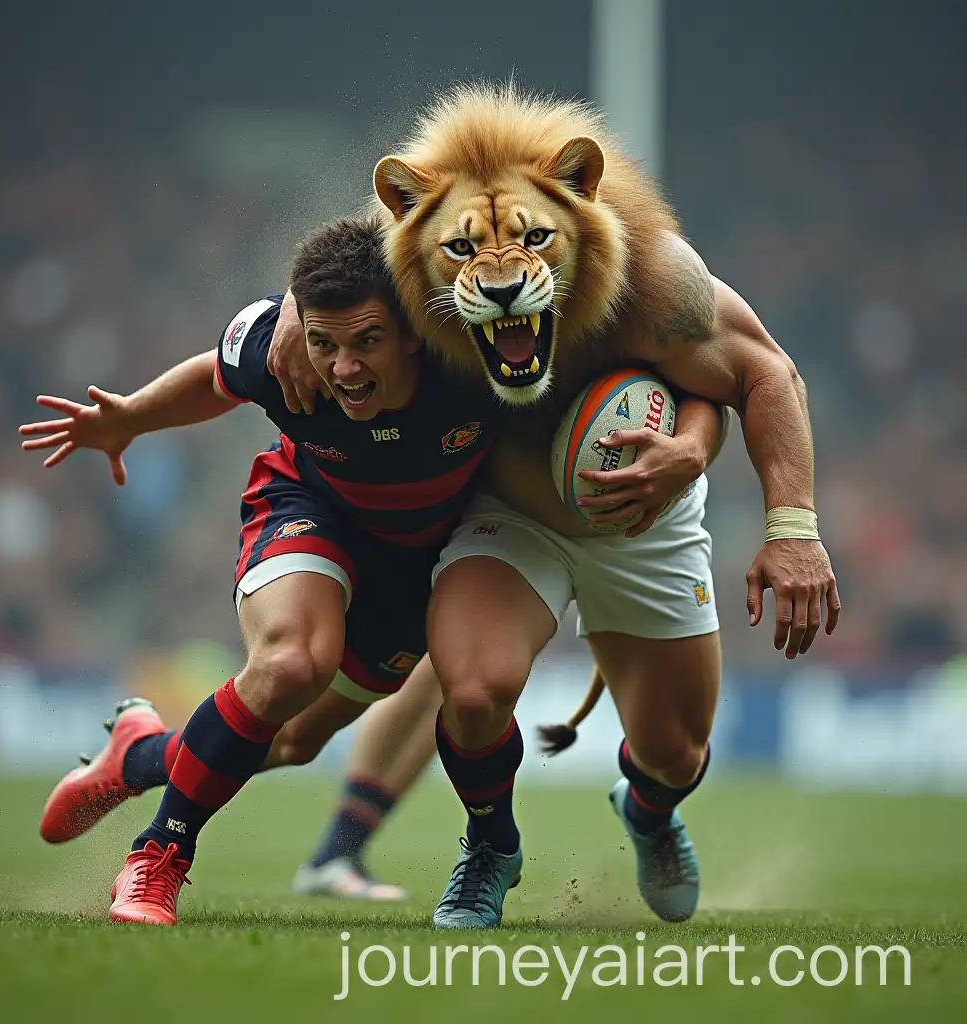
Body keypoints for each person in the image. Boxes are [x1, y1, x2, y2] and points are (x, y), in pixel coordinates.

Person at [22, 216, 727, 924]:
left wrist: (691, 449)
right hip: (310, 508)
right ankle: (156, 859)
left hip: (414, 565)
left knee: (295, 740)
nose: (345, 369)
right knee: (290, 664)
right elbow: (217, 374)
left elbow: (687, 369)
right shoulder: (284, 346)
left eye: (367, 342)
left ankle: (139, 756)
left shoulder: (474, 362)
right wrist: (131, 420)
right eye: (327, 344)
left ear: (416, 329)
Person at [266, 82, 841, 931]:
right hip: (507, 514)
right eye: (467, 251)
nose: (499, 277)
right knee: (466, 684)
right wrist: (293, 306)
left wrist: (778, 519)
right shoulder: (415, 273)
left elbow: (762, 374)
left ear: (585, 208)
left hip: (644, 516)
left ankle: (646, 807)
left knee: (676, 752)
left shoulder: (655, 278)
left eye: (535, 240)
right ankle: (482, 847)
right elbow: (351, 270)